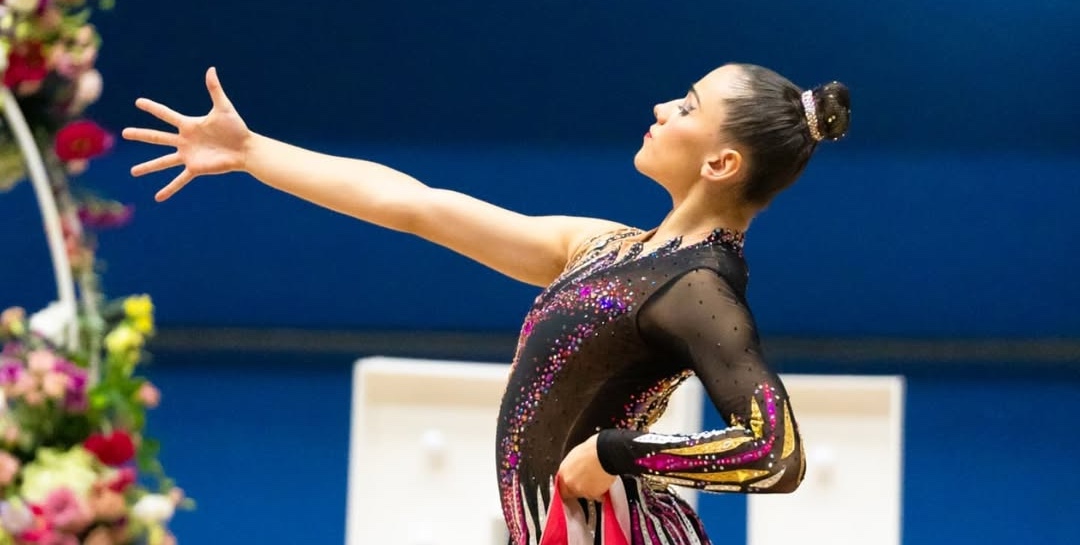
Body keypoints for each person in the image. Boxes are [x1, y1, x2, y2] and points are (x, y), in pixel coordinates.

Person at [123, 62, 851, 545]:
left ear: (721, 163)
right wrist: (254, 152)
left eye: (688, 105)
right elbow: (415, 205)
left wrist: (614, 450)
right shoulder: (604, 247)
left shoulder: (698, 289)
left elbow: (774, 452)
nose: (662, 106)